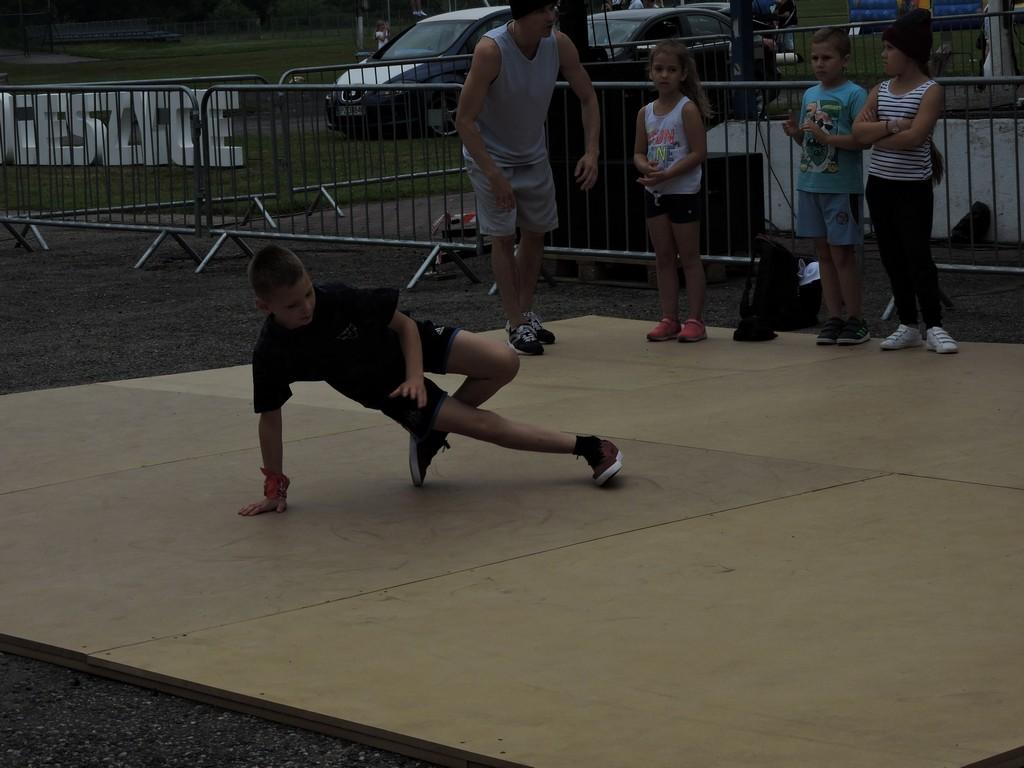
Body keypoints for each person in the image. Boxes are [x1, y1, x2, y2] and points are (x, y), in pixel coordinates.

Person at [237, 245, 623, 516]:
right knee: (483, 425)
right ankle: (590, 446)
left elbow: (404, 326)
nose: (307, 307)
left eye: (308, 293)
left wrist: (416, 375)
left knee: (505, 362)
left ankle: (431, 432)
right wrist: (275, 485)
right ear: (263, 306)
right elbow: (270, 418)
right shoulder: (271, 352)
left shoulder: (336, 298)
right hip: (390, 390)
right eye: (293, 304)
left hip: (415, 344)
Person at [456, 0, 600, 356]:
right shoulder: (491, 51)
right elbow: (464, 120)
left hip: (532, 155)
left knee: (536, 233)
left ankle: (523, 314)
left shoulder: (559, 43)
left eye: (553, 8)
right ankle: (515, 321)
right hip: (490, 156)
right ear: (521, 14)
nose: (551, 17)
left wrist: (592, 151)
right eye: (541, 10)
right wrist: (493, 174)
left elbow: (587, 96)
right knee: (503, 236)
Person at [852, 9, 957, 354]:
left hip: (913, 187)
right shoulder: (879, 90)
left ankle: (934, 325)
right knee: (891, 256)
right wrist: (893, 126)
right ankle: (908, 324)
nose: (883, 54)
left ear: (909, 53)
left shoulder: (930, 91)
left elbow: (916, 138)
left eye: (889, 48)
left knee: (917, 255)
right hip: (880, 185)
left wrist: (877, 134)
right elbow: (858, 132)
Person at [782, 27, 869, 346]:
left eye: (827, 58)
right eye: (815, 58)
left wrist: (827, 138)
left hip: (840, 187)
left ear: (844, 60)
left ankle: (856, 318)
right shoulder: (809, 94)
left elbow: (862, 141)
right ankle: (833, 317)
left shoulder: (855, 95)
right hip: (811, 184)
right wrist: (796, 134)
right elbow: (810, 143)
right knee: (823, 255)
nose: (819, 64)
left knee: (842, 254)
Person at [632, 40, 711, 343]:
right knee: (663, 256)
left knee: (688, 256)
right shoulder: (645, 113)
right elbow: (638, 152)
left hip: (683, 191)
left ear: (682, 74)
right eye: (659, 69)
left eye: (671, 70)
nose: (664, 75)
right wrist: (645, 167)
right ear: (651, 72)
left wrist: (669, 173)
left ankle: (695, 319)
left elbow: (698, 152)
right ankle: (669, 317)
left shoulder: (686, 109)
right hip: (655, 192)